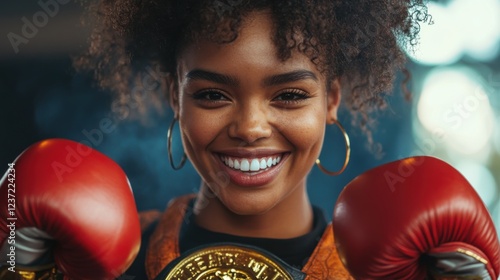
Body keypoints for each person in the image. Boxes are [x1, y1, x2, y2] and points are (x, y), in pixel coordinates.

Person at [1, 0, 499, 279]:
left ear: (331, 100)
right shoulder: (99, 262)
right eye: (214, 94)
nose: (250, 126)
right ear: (175, 97)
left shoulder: (397, 274)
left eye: (289, 95)